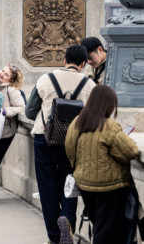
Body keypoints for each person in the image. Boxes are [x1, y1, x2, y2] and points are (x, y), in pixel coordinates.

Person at [25, 44, 96, 244]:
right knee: (70, 183)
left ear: (64, 60)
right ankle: (68, 221)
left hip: (44, 138)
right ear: (83, 64)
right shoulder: (89, 85)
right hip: (74, 142)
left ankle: (54, 237)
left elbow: (30, 112)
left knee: (47, 187)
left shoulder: (45, 79)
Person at [65, 85, 139, 244]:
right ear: (109, 104)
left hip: (84, 184)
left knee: (98, 224)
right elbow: (131, 151)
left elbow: (70, 149)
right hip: (108, 187)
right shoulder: (110, 126)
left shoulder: (77, 121)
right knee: (106, 231)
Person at [0, 63, 25, 199]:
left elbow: (21, 107)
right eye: (2, 71)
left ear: (11, 80)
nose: (2, 74)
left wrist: (4, 111)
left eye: (6, 74)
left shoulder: (12, 90)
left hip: (5, 131)